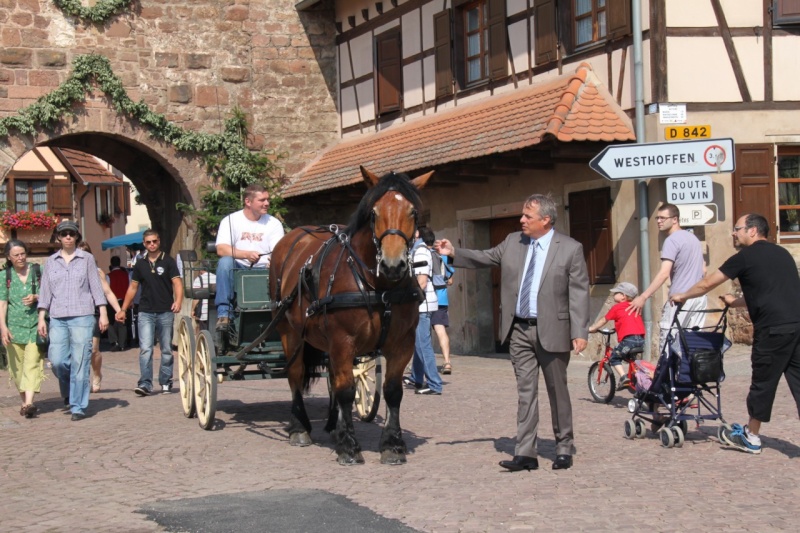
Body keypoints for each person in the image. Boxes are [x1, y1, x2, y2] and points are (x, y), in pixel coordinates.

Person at [436, 194, 589, 471]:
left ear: (545, 220)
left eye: (527, 216)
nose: (521, 220)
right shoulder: (512, 242)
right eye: (522, 215)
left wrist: (580, 331)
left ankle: (563, 446)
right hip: (518, 330)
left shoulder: (570, 249)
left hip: (553, 330)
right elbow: (485, 257)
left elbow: (578, 294)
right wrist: (453, 253)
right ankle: (526, 453)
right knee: (526, 392)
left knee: (558, 391)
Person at [671, 213, 800, 455]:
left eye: (737, 228)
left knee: (763, 382)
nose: (733, 233)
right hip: (796, 326)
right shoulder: (782, 254)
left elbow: (708, 283)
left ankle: (751, 437)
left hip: (773, 331)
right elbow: (768, 295)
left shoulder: (745, 257)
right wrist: (735, 302)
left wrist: (682, 295)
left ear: (752, 231)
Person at [37, 221, 108, 421]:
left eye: (72, 233)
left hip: (83, 316)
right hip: (58, 317)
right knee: (58, 361)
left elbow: (96, 288)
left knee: (80, 362)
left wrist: (102, 312)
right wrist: (42, 316)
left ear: (77, 236)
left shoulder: (87, 259)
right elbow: (45, 291)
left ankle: (78, 405)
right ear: (58, 237)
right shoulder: (51, 261)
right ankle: (69, 389)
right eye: (64, 234)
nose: (68, 237)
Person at [627, 203, 707, 349]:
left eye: (663, 218)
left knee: (669, 346)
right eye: (657, 218)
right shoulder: (693, 239)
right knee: (692, 346)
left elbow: (664, 273)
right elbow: (704, 270)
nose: (659, 221)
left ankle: (671, 373)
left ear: (675, 219)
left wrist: (643, 296)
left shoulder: (671, 240)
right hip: (699, 298)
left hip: (680, 299)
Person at [116, 229, 183, 396]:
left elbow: (177, 283)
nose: (152, 244)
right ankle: (145, 383)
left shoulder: (168, 261)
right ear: (144, 244)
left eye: (154, 241)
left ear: (159, 241)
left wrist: (178, 301)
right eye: (148, 242)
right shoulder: (140, 264)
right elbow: (133, 288)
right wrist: (123, 309)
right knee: (146, 349)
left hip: (165, 310)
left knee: (166, 348)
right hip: (145, 311)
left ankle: (165, 381)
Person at [214, 184, 284, 331]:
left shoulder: (274, 223)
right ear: (248, 202)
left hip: (265, 270)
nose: (267, 203)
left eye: (268, 199)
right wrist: (246, 254)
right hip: (238, 268)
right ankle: (224, 313)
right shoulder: (231, 221)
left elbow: (278, 251)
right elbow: (221, 248)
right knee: (225, 262)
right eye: (262, 200)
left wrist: (273, 262)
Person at [0, 240, 45, 418]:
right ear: (9, 257)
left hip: (35, 326)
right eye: (16, 255)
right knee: (17, 368)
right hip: (13, 328)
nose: (21, 258)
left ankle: (29, 403)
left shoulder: (37, 271)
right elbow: (2, 303)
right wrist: (2, 327)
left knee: (32, 364)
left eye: (23, 254)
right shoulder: (5, 276)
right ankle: (25, 401)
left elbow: (49, 295)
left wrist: (37, 296)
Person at [76, 242, 123, 393]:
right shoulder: (69, 271)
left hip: (93, 313)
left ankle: (96, 374)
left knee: (93, 350)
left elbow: (108, 292)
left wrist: (118, 310)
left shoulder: (96, 272)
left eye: (85, 253)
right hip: (75, 314)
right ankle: (82, 380)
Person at [404, 228, 443, 395]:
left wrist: (409, 302)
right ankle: (417, 378)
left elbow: (422, 281)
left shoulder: (419, 252)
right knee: (418, 343)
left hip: (421, 305)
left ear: (417, 233)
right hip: (423, 304)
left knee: (422, 345)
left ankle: (434, 384)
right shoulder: (417, 250)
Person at [588, 282, 646, 390]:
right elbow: (629, 321)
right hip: (640, 339)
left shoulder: (617, 307)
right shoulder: (634, 306)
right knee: (628, 357)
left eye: (616, 293)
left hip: (629, 340)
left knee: (614, 357)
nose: (613, 295)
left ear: (623, 296)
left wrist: (593, 328)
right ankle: (634, 377)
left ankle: (624, 377)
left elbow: (603, 320)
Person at [422, 227, 455, 375]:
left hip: (425, 299)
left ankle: (422, 365)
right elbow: (450, 280)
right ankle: (447, 362)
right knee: (440, 331)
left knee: (422, 333)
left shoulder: (421, 254)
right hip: (441, 298)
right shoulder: (442, 256)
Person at [106, 255, 130, 351]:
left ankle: (114, 341)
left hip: (112, 302)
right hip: (124, 301)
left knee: (111, 323)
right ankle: (122, 344)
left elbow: (106, 290)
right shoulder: (126, 275)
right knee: (122, 323)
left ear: (111, 264)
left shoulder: (108, 276)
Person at [192, 261, 216, 331]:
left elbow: (196, 298)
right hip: (215, 310)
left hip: (204, 311)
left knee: (203, 333)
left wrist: (192, 310)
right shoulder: (216, 277)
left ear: (201, 269)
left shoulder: (199, 279)